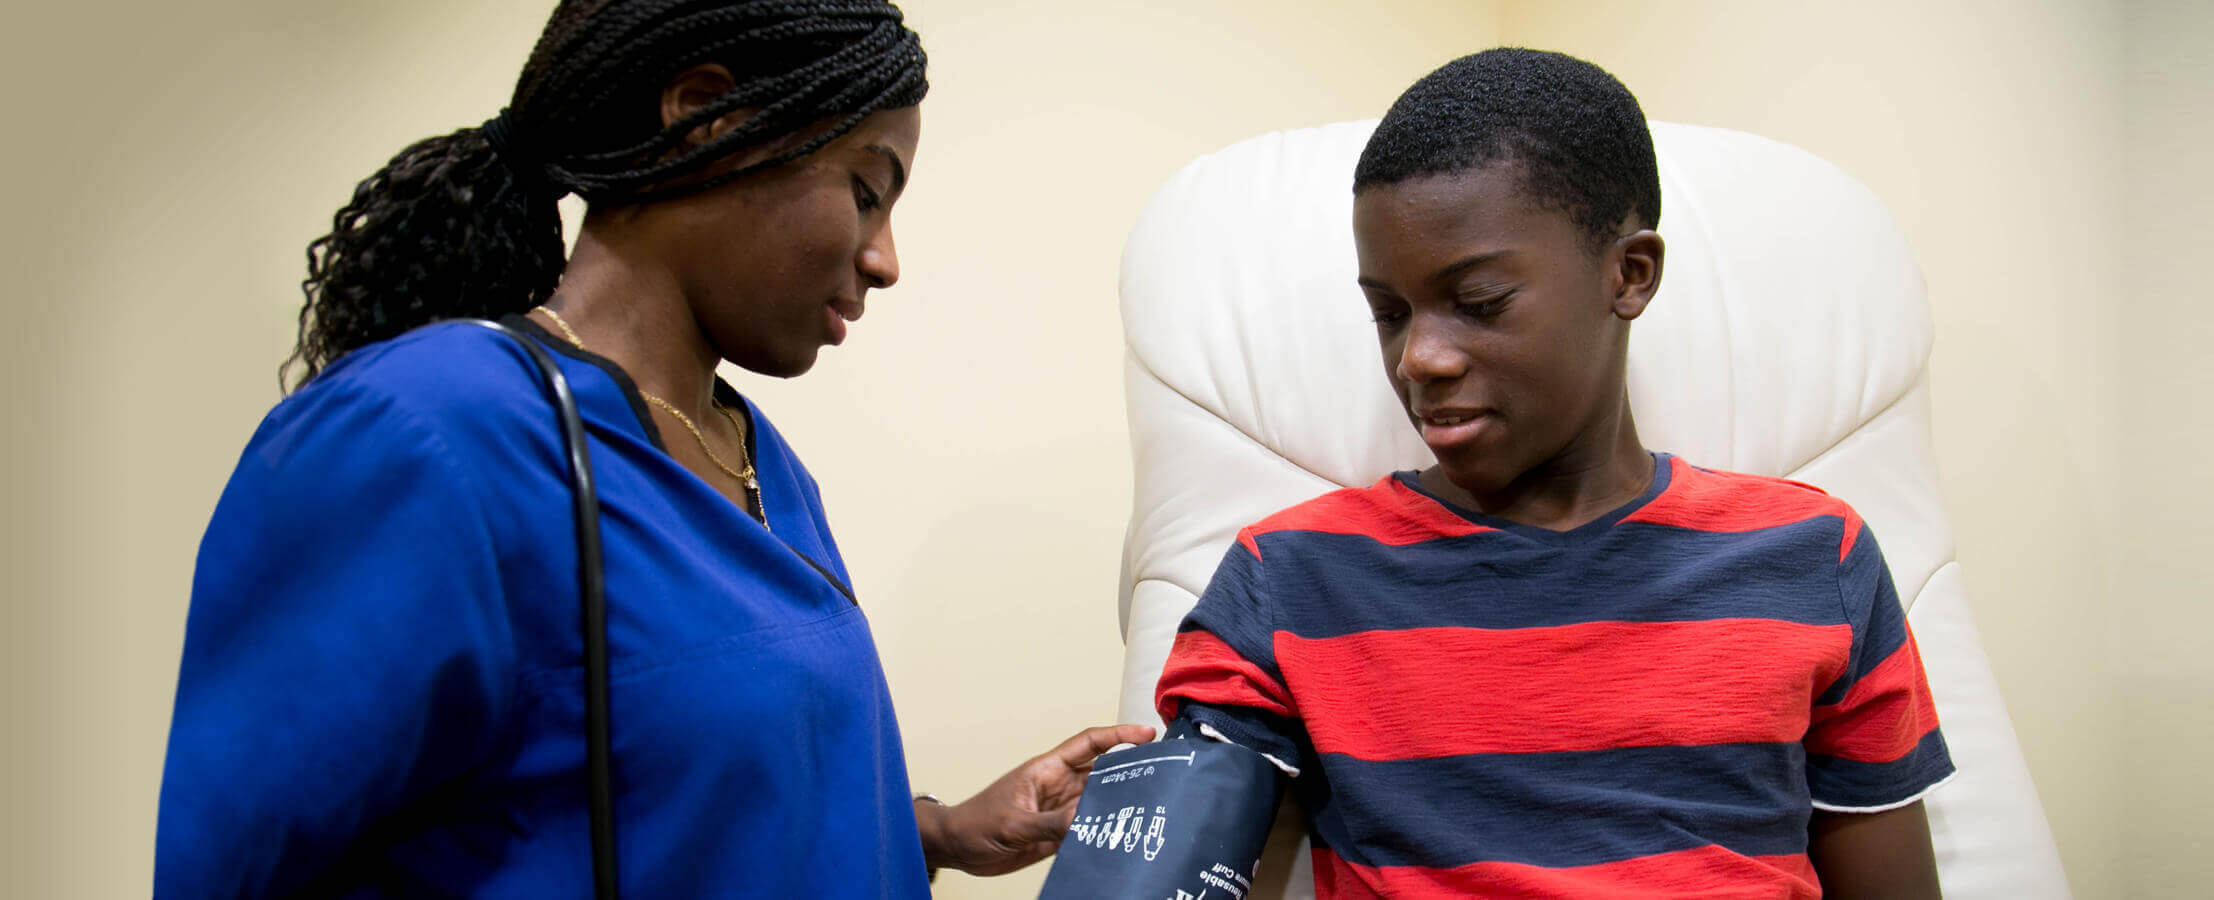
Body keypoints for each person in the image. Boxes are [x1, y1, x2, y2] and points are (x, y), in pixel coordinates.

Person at [155, 2, 1151, 896]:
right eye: (865, 189)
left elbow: (690, 803)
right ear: (707, 116)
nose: (885, 259)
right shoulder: (429, 431)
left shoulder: (756, 457)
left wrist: (936, 831)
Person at [1153, 49, 1951, 898]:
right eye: (1388, 314)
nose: (1419, 357)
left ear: (1629, 274)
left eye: (1481, 302)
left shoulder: (1811, 559)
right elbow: (1165, 843)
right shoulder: (1292, 581)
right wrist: (1054, 818)